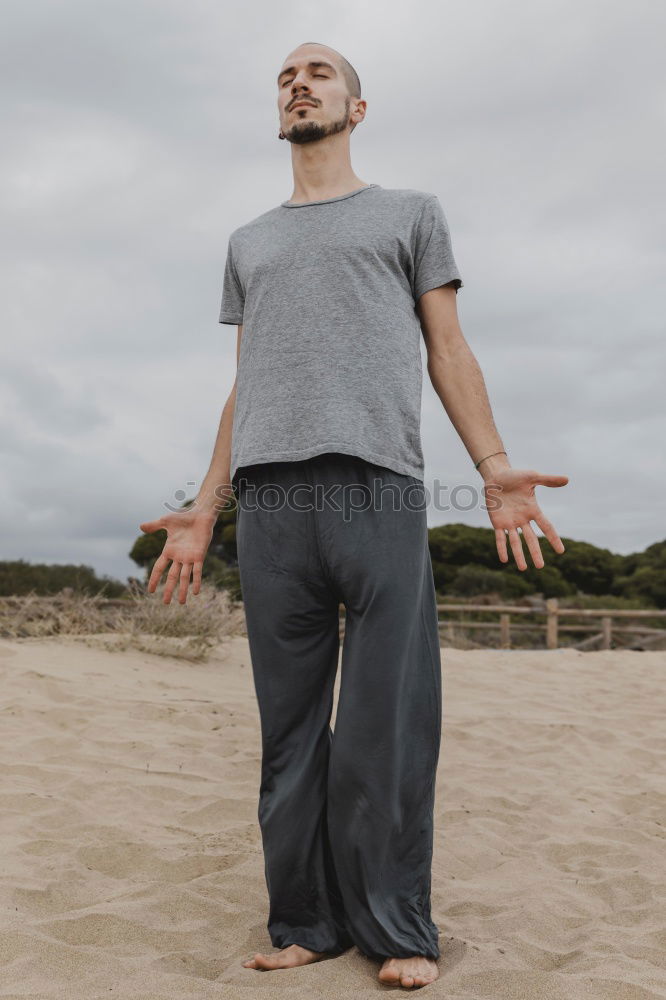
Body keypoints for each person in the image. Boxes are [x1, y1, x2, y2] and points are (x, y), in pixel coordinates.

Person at [139, 41, 569, 990]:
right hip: (274, 504)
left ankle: (397, 926)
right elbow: (244, 383)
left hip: (377, 488)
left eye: (319, 72)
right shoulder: (248, 241)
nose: (299, 83)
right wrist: (204, 512)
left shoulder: (411, 214)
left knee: (387, 723)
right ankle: (304, 922)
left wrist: (494, 469)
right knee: (288, 733)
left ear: (358, 108)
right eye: (286, 77)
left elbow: (448, 348)